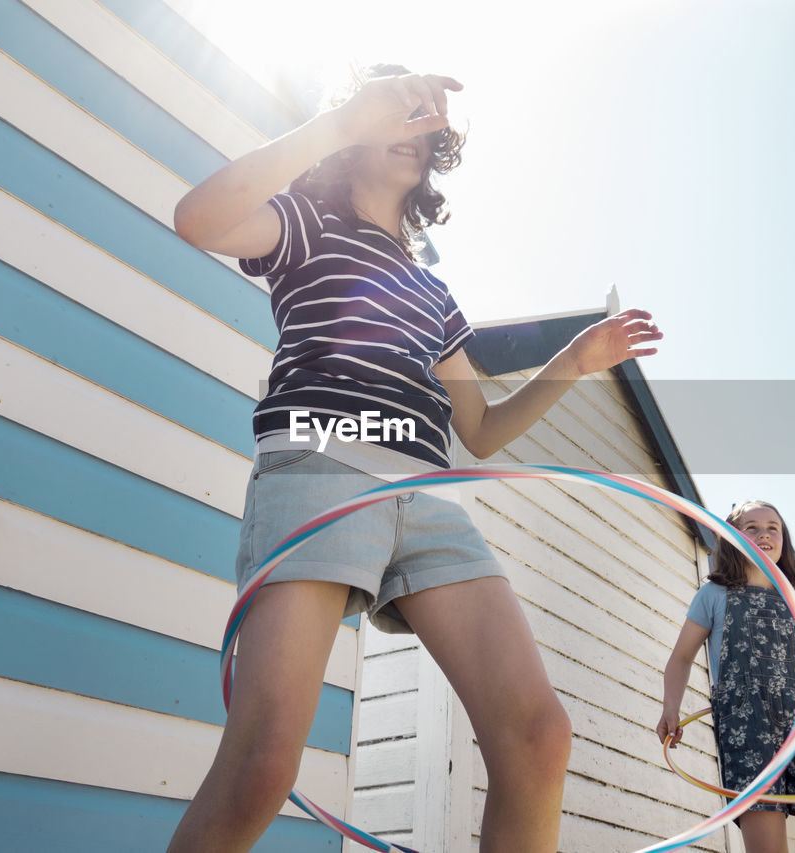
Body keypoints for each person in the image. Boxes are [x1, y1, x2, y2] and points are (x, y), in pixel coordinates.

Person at [166, 65, 663, 853]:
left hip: (427, 498)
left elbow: (482, 429)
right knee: (262, 764)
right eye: (396, 113)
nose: (415, 127)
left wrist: (573, 358)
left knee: (539, 738)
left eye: (424, 123)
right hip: (323, 469)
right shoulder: (308, 223)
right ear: (357, 129)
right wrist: (337, 121)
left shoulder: (435, 294)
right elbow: (197, 218)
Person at [655, 501, 795, 853]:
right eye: (752, 527)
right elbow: (681, 657)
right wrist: (671, 707)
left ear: (783, 539)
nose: (764, 533)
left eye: (772, 527)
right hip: (748, 730)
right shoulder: (713, 595)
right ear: (733, 539)